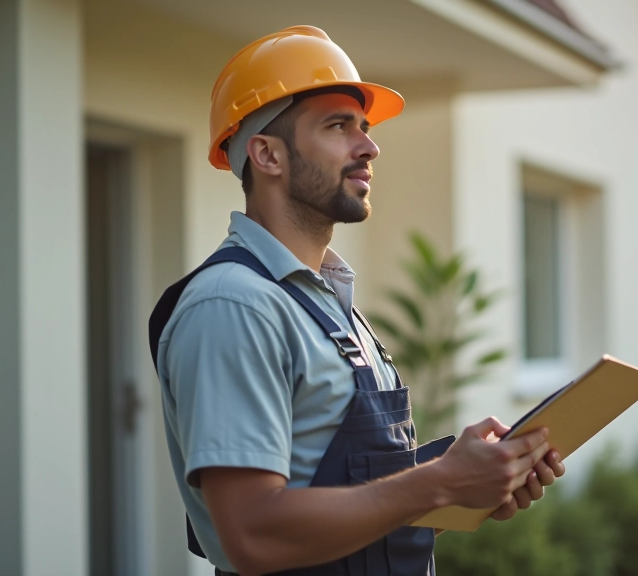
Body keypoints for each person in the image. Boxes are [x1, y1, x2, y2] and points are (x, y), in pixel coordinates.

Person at [148, 25, 565, 576]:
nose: (369, 146)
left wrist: (465, 479)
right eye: (338, 126)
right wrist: (439, 481)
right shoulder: (235, 306)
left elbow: (349, 495)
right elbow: (252, 533)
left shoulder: (326, 301)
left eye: (363, 127)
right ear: (267, 154)